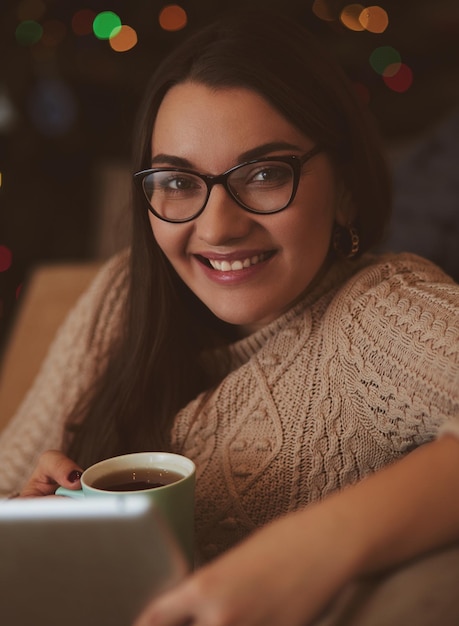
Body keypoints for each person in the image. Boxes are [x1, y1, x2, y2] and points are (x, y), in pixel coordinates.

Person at [1, 8, 459, 626]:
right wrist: (31, 526)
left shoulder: (378, 311)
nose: (217, 227)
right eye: (178, 182)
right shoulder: (122, 295)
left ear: (345, 186)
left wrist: (306, 551)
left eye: (267, 174)